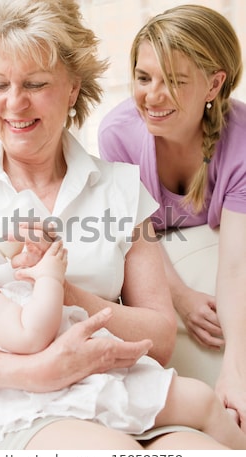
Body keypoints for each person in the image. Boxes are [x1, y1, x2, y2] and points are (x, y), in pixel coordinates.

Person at [0, 0, 226, 450]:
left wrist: (62, 290)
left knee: (201, 452)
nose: (14, 103)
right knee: (112, 455)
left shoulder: (120, 188)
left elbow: (160, 338)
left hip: (118, 396)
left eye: (35, 84)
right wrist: (33, 370)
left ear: (72, 89)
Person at [0, 221, 246, 449]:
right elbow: (30, 336)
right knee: (195, 402)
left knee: (198, 401)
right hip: (45, 403)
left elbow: (4, 276)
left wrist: (21, 258)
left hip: (82, 384)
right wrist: (50, 278)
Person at [98, 4, 246, 430]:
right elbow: (136, 232)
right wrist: (180, 295)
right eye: (144, 78)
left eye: (175, 82)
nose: (153, 96)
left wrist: (233, 372)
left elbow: (235, 264)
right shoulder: (117, 134)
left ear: (214, 84)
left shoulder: (239, 143)